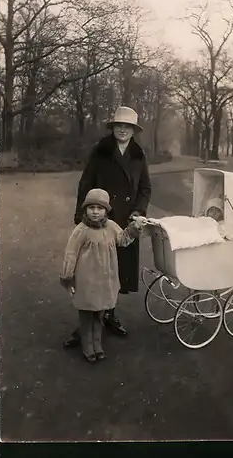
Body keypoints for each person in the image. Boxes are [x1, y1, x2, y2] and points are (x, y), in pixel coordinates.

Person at [63, 106, 151, 347]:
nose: (123, 130)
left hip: (125, 221)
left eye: (128, 127)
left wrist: (138, 211)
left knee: (117, 271)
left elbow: (145, 188)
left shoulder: (138, 155)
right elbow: (86, 183)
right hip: (99, 219)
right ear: (113, 128)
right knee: (92, 271)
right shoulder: (100, 151)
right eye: (119, 126)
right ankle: (85, 325)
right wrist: (80, 214)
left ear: (133, 131)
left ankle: (109, 315)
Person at [60, 189, 146, 362]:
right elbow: (70, 254)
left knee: (99, 314)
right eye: (91, 207)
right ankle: (87, 345)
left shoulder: (112, 227)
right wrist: (68, 278)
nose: (95, 211)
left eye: (100, 208)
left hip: (105, 280)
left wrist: (135, 227)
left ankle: (97, 343)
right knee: (86, 316)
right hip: (86, 281)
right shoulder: (81, 230)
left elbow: (123, 239)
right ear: (85, 209)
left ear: (106, 210)